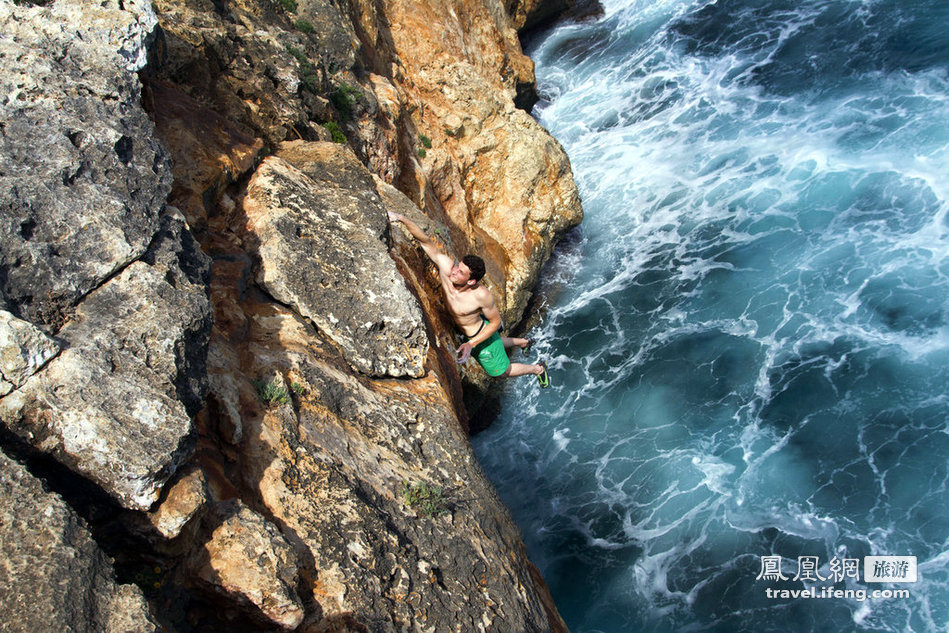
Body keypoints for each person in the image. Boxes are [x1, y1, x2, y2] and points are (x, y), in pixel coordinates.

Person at [387, 211, 550, 387]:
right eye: (458, 266)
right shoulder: (447, 268)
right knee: (494, 341)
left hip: (477, 335)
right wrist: (401, 218)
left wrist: (471, 344)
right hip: (470, 335)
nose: (454, 271)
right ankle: (524, 342)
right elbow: (425, 241)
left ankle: (538, 369)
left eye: (461, 272)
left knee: (500, 373)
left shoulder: (480, 295)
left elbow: (495, 323)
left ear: (471, 281)